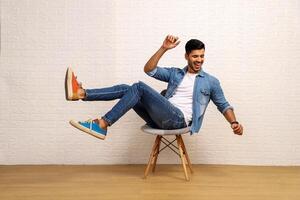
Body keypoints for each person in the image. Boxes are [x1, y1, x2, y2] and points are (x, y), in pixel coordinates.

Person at [65, 35, 243, 140]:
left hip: (178, 120)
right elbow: (149, 70)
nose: (199, 60)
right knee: (128, 88)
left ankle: (102, 123)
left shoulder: (210, 81)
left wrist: (234, 123)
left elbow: (224, 105)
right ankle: (80, 93)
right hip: (161, 116)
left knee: (138, 87)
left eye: (202, 56)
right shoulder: (176, 74)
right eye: (195, 56)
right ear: (186, 56)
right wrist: (163, 48)